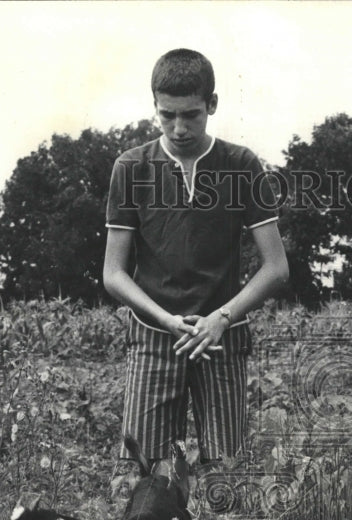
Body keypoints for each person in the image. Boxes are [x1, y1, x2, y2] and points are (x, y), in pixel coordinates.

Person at [103, 48, 289, 466]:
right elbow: (113, 273)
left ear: (212, 104)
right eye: (167, 115)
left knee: (227, 474)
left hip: (220, 336)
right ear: (154, 106)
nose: (179, 127)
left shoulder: (241, 165)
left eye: (191, 114)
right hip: (154, 335)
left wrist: (220, 319)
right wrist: (166, 320)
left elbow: (276, 268)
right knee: (143, 473)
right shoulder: (131, 168)